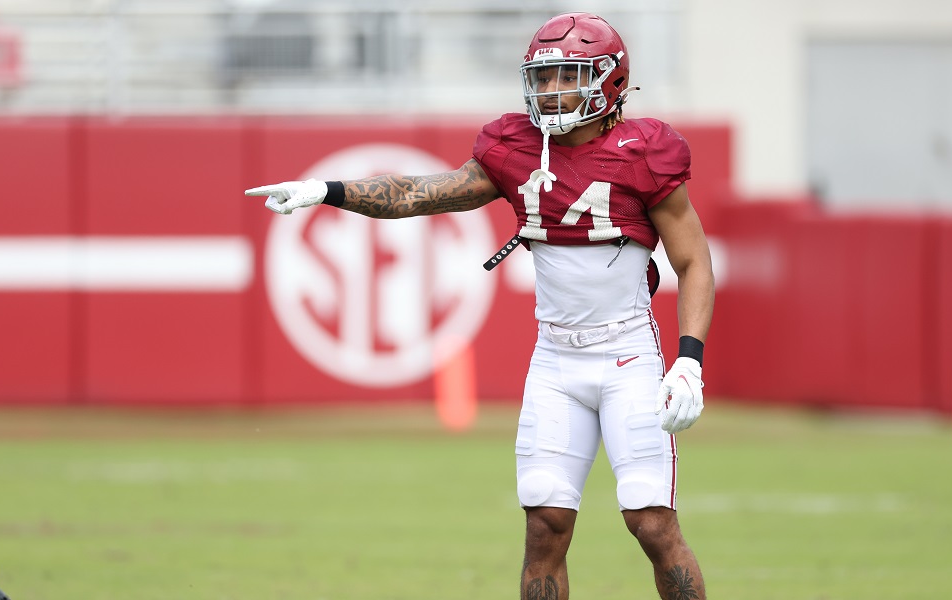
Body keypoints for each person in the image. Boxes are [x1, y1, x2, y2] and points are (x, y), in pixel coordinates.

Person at [246, 12, 714, 600]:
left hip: (629, 357)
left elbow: (694, 262)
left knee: (650, 523)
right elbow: (422, 193)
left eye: (566, 76)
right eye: (542, 79)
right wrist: (327, 191)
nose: (550, 91)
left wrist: (688, 358)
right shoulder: (515, 147)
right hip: (556, 362)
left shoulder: (645, 152)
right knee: (544, 529)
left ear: (608, 80)